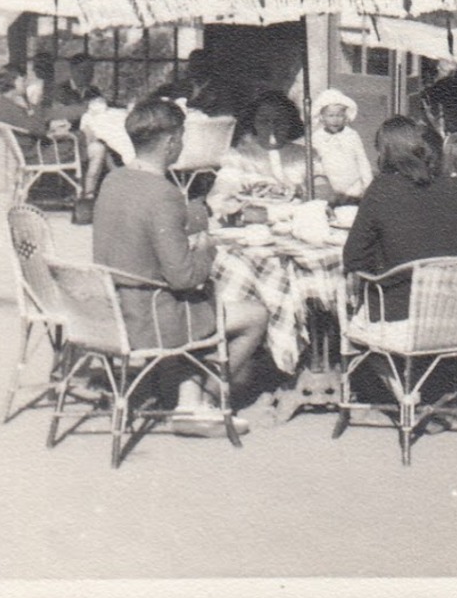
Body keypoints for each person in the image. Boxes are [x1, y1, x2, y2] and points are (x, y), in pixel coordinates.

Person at [91, 99, 269, 435]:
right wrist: (208, 247)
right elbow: (185, 276)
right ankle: (200, 403)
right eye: (182, 137)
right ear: (172, 141)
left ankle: (181, 389)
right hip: (152, 318)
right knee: (254, 313)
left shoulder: (114, 180)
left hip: (113, 307)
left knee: (200, 300)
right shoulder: (164, 193)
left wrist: (208, 209)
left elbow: (151, 215)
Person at [343, 116, 457, 321]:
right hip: (454, 311)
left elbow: (354, 257)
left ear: (388, 152)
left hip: (400, 313)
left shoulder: (382, 190)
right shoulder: (456, 187)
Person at [205, 90, 312, 219]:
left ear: (290, 122)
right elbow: (218, 197)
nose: (272, 127)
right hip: (254, 223)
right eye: (264, 121)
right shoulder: (239, 157)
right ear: (253, 123)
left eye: (280, 121)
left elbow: (324, 192)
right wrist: (239, 209)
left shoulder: (305, 155)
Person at [309, 88, 373, 203]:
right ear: (322, 117)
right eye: (331, 115)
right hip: (330, 186)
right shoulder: (317, 137)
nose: (335, 120)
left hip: (353, 186)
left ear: (345, 117)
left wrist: (368, 184)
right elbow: (314, 162)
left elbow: (362, 159)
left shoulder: (352, 135)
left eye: (339, 115)